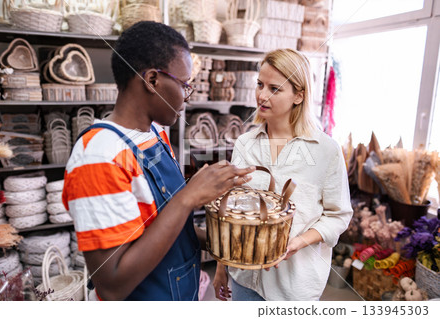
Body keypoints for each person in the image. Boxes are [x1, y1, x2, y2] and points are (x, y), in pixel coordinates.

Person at [62, 21, 254, 301]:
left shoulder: (154, 133)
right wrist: (189, 196)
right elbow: (112, 284)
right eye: (184, 85)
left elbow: (167, 228)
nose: (186, 98)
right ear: (152, 80)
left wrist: (224, 243)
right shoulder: (99, 156)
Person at [212, 48, 353, 301]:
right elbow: (230, 211)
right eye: (260, 84)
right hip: (244, 277)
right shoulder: (245, 143)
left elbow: (338, 216)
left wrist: (297, 242)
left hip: (293, 288)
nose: (262, 95)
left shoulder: (325, 150)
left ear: (299, 95)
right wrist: (222, 267)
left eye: (274, 89)